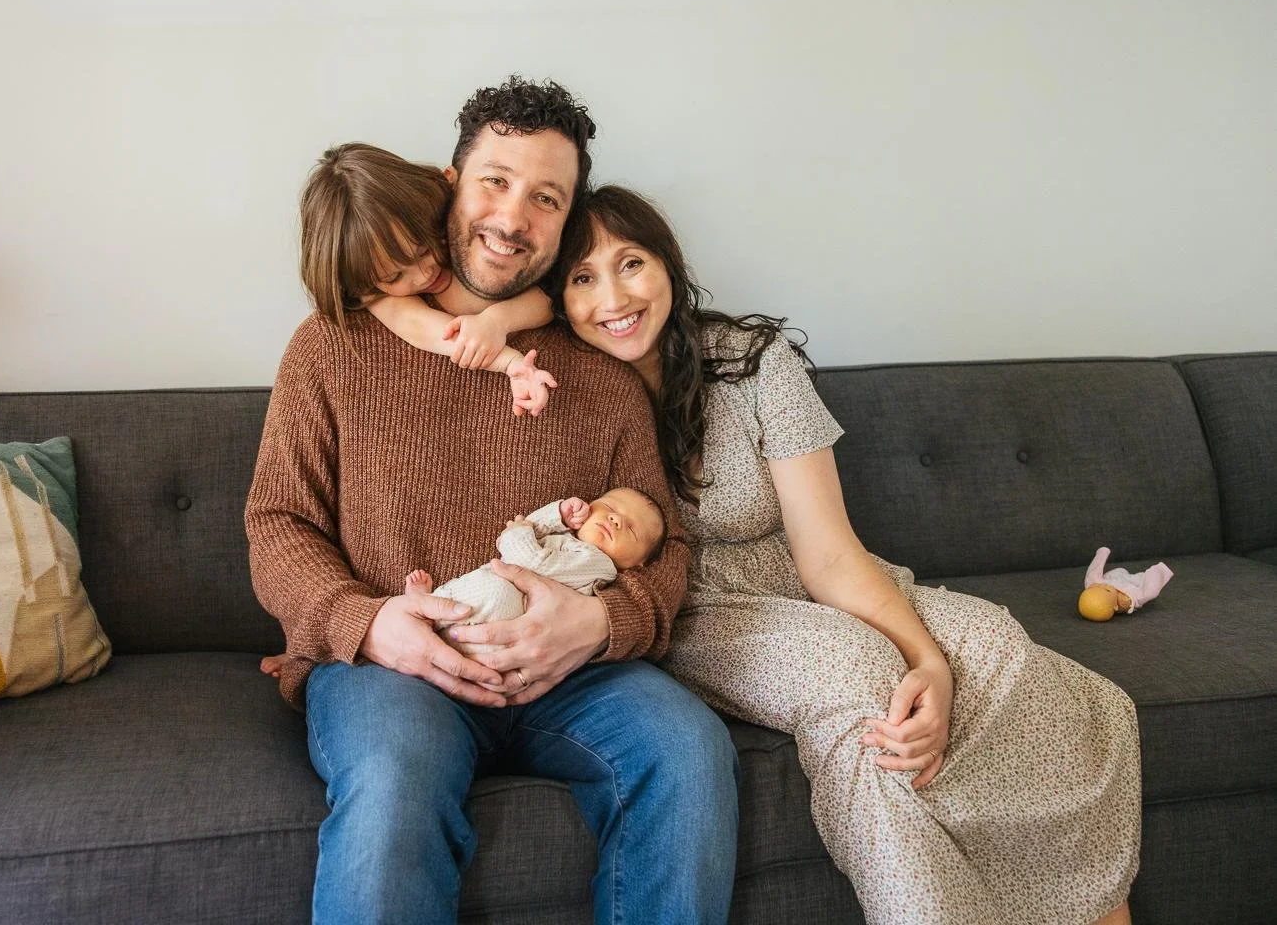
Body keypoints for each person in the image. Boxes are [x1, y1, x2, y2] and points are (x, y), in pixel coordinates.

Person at [478, 183, 1142, 924]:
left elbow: (827, 552)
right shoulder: (549, 382)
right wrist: (508, 313)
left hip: (805, 578)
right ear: (555, 296)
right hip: (692, 607)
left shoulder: (748, 359)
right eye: (581, 277)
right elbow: (439, 310)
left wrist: (926, 661)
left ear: (667, 263)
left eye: (630, 263)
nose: (613, 296)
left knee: (990, 645)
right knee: (857, 679)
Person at [245, 81, 739, 925]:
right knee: (394, 781)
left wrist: (603, 624)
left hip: (573, 677)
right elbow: (277, 523)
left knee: (688, 751)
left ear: (565, 214)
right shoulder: (332, 341)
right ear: (449, 182)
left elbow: (665, 541)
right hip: (395, 669)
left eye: (545, 197)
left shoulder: (599, 363)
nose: (514, 217)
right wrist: (364, 624)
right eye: (496, 182)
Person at [296, 141, 557, 415]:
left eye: (424, 250)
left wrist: (497, 321)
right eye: (394, 275)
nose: (423, 275)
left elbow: (550, 298)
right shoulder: (376, 298)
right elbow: (427, 330)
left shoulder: (482, 243)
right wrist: (510, 363)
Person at [413, 488, 667, 648]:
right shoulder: (566, 538)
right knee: (490, 589)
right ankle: (429, 608)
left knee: (496, 590)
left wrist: (517, 533)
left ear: (637, 564)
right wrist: (558, 515)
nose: (615, 519)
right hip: (501, 609)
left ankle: (429, 612)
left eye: (632, 528)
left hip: (512, 613)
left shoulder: (599, 565)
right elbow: (521, 532)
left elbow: (531, 562)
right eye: (610, 507)